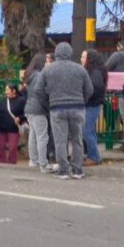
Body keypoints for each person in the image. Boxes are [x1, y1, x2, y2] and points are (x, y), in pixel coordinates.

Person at [32, 42, 93, 180]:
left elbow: (38, 90)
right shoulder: (80, 69)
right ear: (70, 53)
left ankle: (63, 170)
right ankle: (77, 170)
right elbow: (89, 89)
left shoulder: (48, 70)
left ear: (57, 53)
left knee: (60, 141)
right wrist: (82, 101)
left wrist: (48, 103)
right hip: (77, 107)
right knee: (77, 140)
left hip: (57, 108)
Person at [23, 54, 55, 173]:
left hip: (29, 108)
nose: (47, 63)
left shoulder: (30, 75)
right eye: (46, 61)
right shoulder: (39, 76)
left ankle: (33, 160)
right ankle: (43, 164)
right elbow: (42, 92)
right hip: (38, 109)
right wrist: (47, 106)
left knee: (33, 135)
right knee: (42, 137)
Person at [80, 49, 106, 166]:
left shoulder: (94, 72)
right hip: (92, 104)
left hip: (91, 104)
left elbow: (95, 88)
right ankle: (93, 154)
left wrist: (84, 96)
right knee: (89, 131)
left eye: (84, 57)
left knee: (86, 131)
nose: (81, 59)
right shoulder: (93, 71)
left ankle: (93, 156)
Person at [0, 84, 25, 164]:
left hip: (14, 129)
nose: (6, 92)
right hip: (2, 129)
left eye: (8, 90)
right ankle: (2, 163)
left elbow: (26, 113)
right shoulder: (2, 101)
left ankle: (11, 165)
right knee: (0, 147)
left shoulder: (21, 101)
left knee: (12, 148)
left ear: (14, 91)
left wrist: (20, 118)